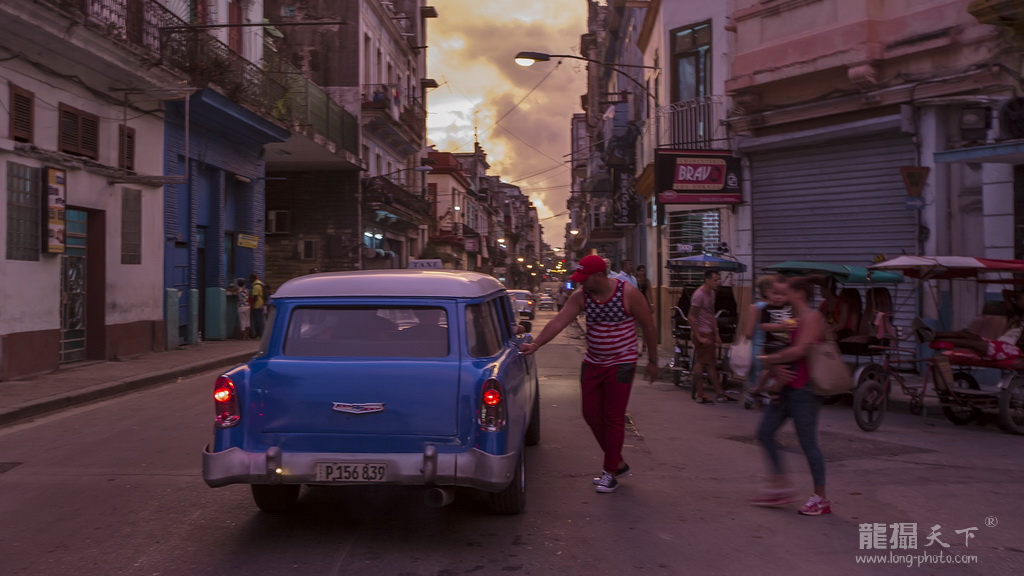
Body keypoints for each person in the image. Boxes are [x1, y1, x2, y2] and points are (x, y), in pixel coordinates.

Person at [518, 254, 658, 494]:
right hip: (593, 362)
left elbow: (648, 325)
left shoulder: (628, 293)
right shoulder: (581, 296)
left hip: (621, 363)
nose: (581, 282)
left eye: (585, 278)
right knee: (590, 413)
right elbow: (559, 321)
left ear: (600, 275)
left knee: (613, 417)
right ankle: (618, 462)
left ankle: (610, 471)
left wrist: (653, 361)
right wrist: (536, 344)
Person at [754, 276, 830, 515]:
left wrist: (769, 359)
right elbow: (786, 349)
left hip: (804, 390)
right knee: (764, 432)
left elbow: (800, 350)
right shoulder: (794, 320)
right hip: (786, 386)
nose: (781, 297)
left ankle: (820, 498)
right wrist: (775, 367)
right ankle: (780, 485)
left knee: (808, 443)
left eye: (786, 292)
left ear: (799, 293)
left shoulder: (812, 317)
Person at [690, 269, 730, 403]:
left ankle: (719, 393)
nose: (718, 282)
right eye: (715, 280)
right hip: (702, 332)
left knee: (710, 363)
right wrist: (699, 337)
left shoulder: (712, 293)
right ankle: (701, 394)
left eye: (719, 280)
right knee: (702, 363)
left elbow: (712, 315)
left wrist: (716, 334)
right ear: (707, 280)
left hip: (708, 331)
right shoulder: (699, 295)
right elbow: (691, 317)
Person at [249, 272, 267, 339]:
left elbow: (255, 297)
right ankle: (261, 334)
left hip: (257, 305)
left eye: (250, 279)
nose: (250, 280)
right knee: (260, 320)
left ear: (253, 278)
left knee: (257, 321)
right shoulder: (261, 284)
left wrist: (252, 304)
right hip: (261, 304)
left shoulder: (256, 286)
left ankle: (259, 335)